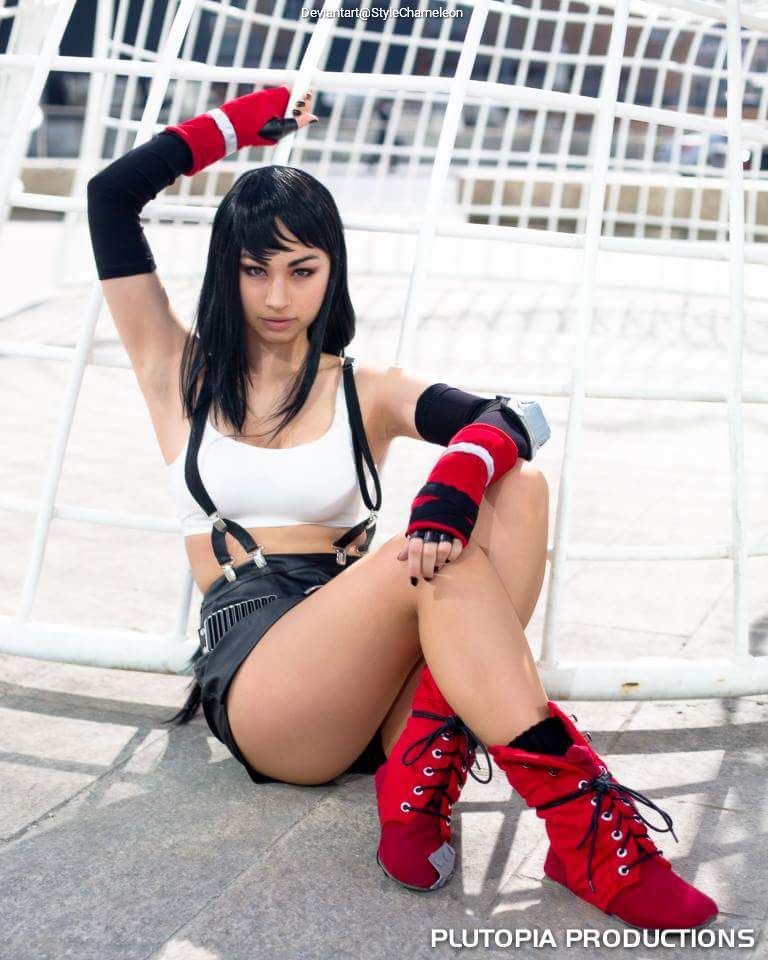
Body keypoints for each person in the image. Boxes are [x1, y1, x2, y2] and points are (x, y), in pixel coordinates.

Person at [86, 84, 718, 931]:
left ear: (331, 272)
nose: (279, 297)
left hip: (377, 671)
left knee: (514, 486)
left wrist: (452, 491)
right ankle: (587, 832)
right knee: (424, 555)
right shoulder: (179, 373)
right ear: (227, 272)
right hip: (271, 687)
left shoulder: (365, 390)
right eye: (255, 270)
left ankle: (422, 774)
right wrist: (240, 122)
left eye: (302, 270)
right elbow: (110, 196)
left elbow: (518, 418)